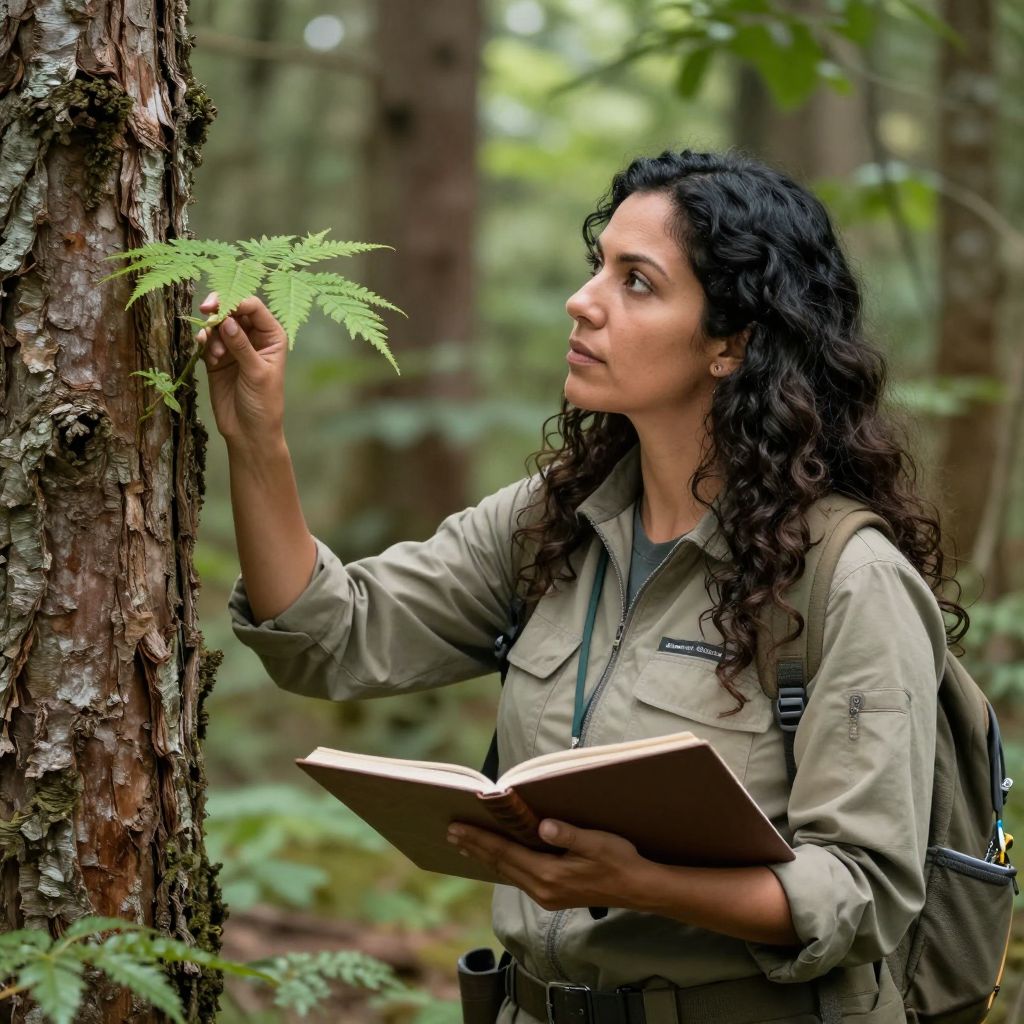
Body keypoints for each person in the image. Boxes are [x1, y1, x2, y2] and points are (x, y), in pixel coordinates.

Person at [199, 149, 962, 1024]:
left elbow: (862, 891)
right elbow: (329, 634)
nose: (583, 299)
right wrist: (258, 440)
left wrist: (644, 886)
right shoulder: (555, 522)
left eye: (637, 281)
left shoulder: (848, 579)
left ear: (733, 344)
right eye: (599, 264)